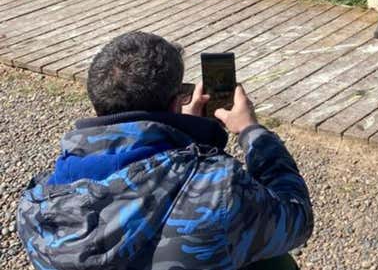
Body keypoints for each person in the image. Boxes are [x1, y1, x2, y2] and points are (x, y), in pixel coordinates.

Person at [16, 31, 313, 270]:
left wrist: (188, 141)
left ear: (97, 105)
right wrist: (252, 132)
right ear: (175, 104)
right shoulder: (219, 189)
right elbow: (296, 218)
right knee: (273, 261)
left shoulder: (36, 206)